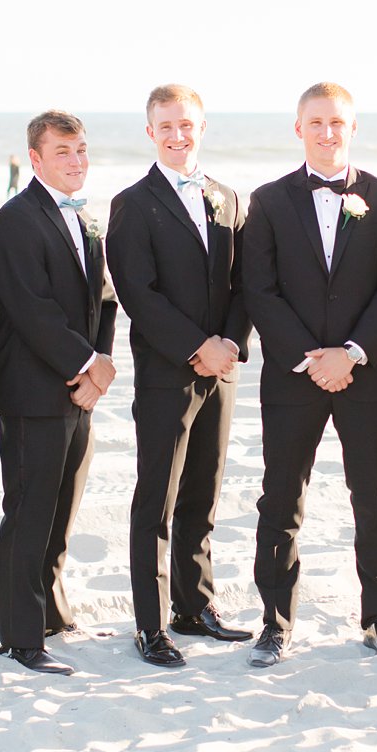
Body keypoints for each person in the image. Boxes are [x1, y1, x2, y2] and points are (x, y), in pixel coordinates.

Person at [243, 82, 377, 666]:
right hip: (292, 377)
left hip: (366, 374)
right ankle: (275, 622)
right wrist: (311, 358)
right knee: (281, 499)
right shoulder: (266, 201)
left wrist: (352, 352)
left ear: (353, 127)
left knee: (373, 496)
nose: (327, 132)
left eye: (337, 122)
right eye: (315, 122)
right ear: (299, 128)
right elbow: (258, 289)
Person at [106, 85, 254, 668]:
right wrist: (196, 347)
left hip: (223, 371)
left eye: (186, 124)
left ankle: (195, 606)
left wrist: (230, 346)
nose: (177, 135)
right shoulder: (132, 203)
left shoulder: (228, 198)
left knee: (204, 492)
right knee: (156, 499)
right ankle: (151, 625)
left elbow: (246, 284)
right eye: (165, 126)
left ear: (202, 126)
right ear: (150, 132)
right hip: (167, 371)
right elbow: (138, 293)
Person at [0, 110, 118, 675]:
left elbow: (104, 299)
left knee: (63, 508)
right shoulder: (16, 220)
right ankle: (20, 637)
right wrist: (87, 363)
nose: (76, 161)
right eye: (63, 152)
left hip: (79, 389)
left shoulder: (85, 216)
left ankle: (51, 613)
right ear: (35, 160)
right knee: (29, 512)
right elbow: (29, 308)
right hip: (34, 391)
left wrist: (100, 366)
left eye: (81, 150)